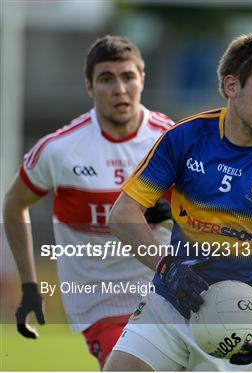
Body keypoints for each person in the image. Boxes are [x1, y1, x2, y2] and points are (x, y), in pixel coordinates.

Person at [103, 32, 252, 372]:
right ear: (231, 86)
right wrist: (167, 267)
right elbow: (123, 214)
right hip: (171, 303)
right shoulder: (186, 137)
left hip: (244, 324)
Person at [2, 35, 174, 369]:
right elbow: (13, 205)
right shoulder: (60, 149)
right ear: (90, 87)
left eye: (128, 77)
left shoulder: (170, 140)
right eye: (106, 79)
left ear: (142, 79)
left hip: (165, 290)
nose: (119, 89)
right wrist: (28, 285)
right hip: (100, 302)